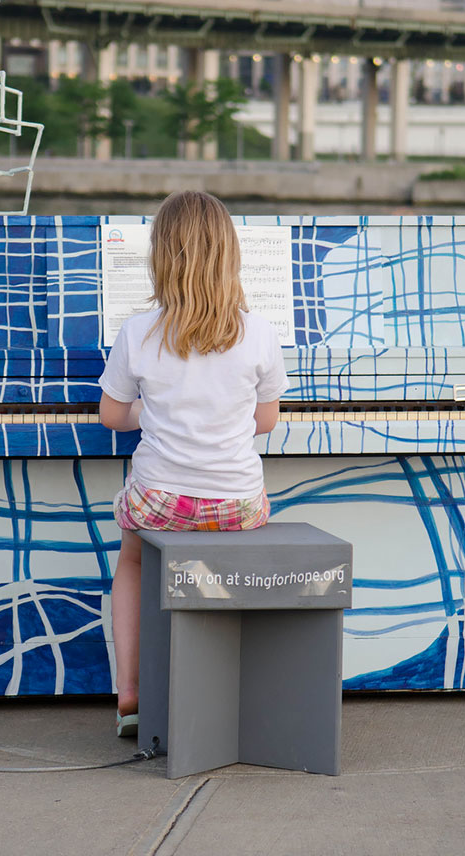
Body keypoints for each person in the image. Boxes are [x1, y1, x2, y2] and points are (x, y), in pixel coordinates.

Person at [98, 191, 289, 737]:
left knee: (132, 558)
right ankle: (235, 690)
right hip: (236, 506)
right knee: (256, 508)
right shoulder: (260, 334)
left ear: (160, 258)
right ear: (230, 257)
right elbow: (266, 420)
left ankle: (130, 689)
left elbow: (112, 415)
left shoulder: (139, 332)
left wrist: (151, 412)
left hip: (159, 500)